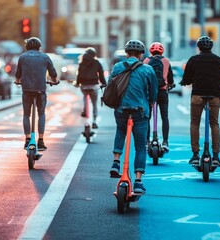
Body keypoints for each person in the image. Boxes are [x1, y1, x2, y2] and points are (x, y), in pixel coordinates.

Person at [109, 39, 158, 194]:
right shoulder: (148, 69)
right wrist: (150, 101)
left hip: (122, 110)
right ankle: (137, 181)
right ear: (141, 54)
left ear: (126, 53)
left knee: (121, 130)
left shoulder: (117, 67)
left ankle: (116, 161)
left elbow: (111, 85)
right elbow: (154, 91)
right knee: (140, 145)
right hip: (140, 111)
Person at [180, 36, 220, 167]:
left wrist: (184, 82)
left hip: (198, 95)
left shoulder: (193, 60)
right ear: (211, 47)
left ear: (199, 47)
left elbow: (187, 79)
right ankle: (216, 156)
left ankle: (195, 154)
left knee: (195, 122)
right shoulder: (219, 61)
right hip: (215, 95)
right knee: (214, 123)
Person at [14, 37, 59, 151]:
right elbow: (53, 73)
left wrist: (18, 81)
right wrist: (55, 80)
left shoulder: (22, 57)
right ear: (39, 47)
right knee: (41, 114)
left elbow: (18, 74)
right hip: (40, 88)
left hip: (27, 89)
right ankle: (41, 140)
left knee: (26, 115)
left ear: (27, 47)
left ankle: (28, 139)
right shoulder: (45, 57)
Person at [143, 42, 174, 151]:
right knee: (164, 116)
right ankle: (165, 141)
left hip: (150, 92)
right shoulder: (166, 61)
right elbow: (170, 78)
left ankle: (146, 141)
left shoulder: (146, 61)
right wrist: (170, 84)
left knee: (147, 117)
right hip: (162, 91)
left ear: (150, 51)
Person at [75, 47, 107, 129]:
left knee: (85, 96)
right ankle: (94, 121)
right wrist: (104, 83)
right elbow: (101, 74)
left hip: (83, 85)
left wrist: (77, 83)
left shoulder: (81, 63)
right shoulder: (96, 62)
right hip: (93, 85)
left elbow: (79, 75)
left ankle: (85, 109)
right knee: (94, 103)